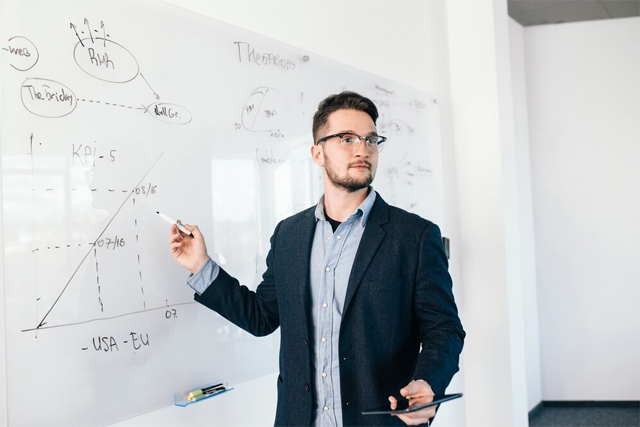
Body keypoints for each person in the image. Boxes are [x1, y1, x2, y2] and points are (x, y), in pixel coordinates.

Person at [168, 91, 465, 426]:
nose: (362, 149)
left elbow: (444, 329)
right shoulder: (289, 235)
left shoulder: (415, 236)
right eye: (347, 138)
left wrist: (429, 382)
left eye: (371, 139)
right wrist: (201, 267)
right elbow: (262, 317)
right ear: (317, 153)